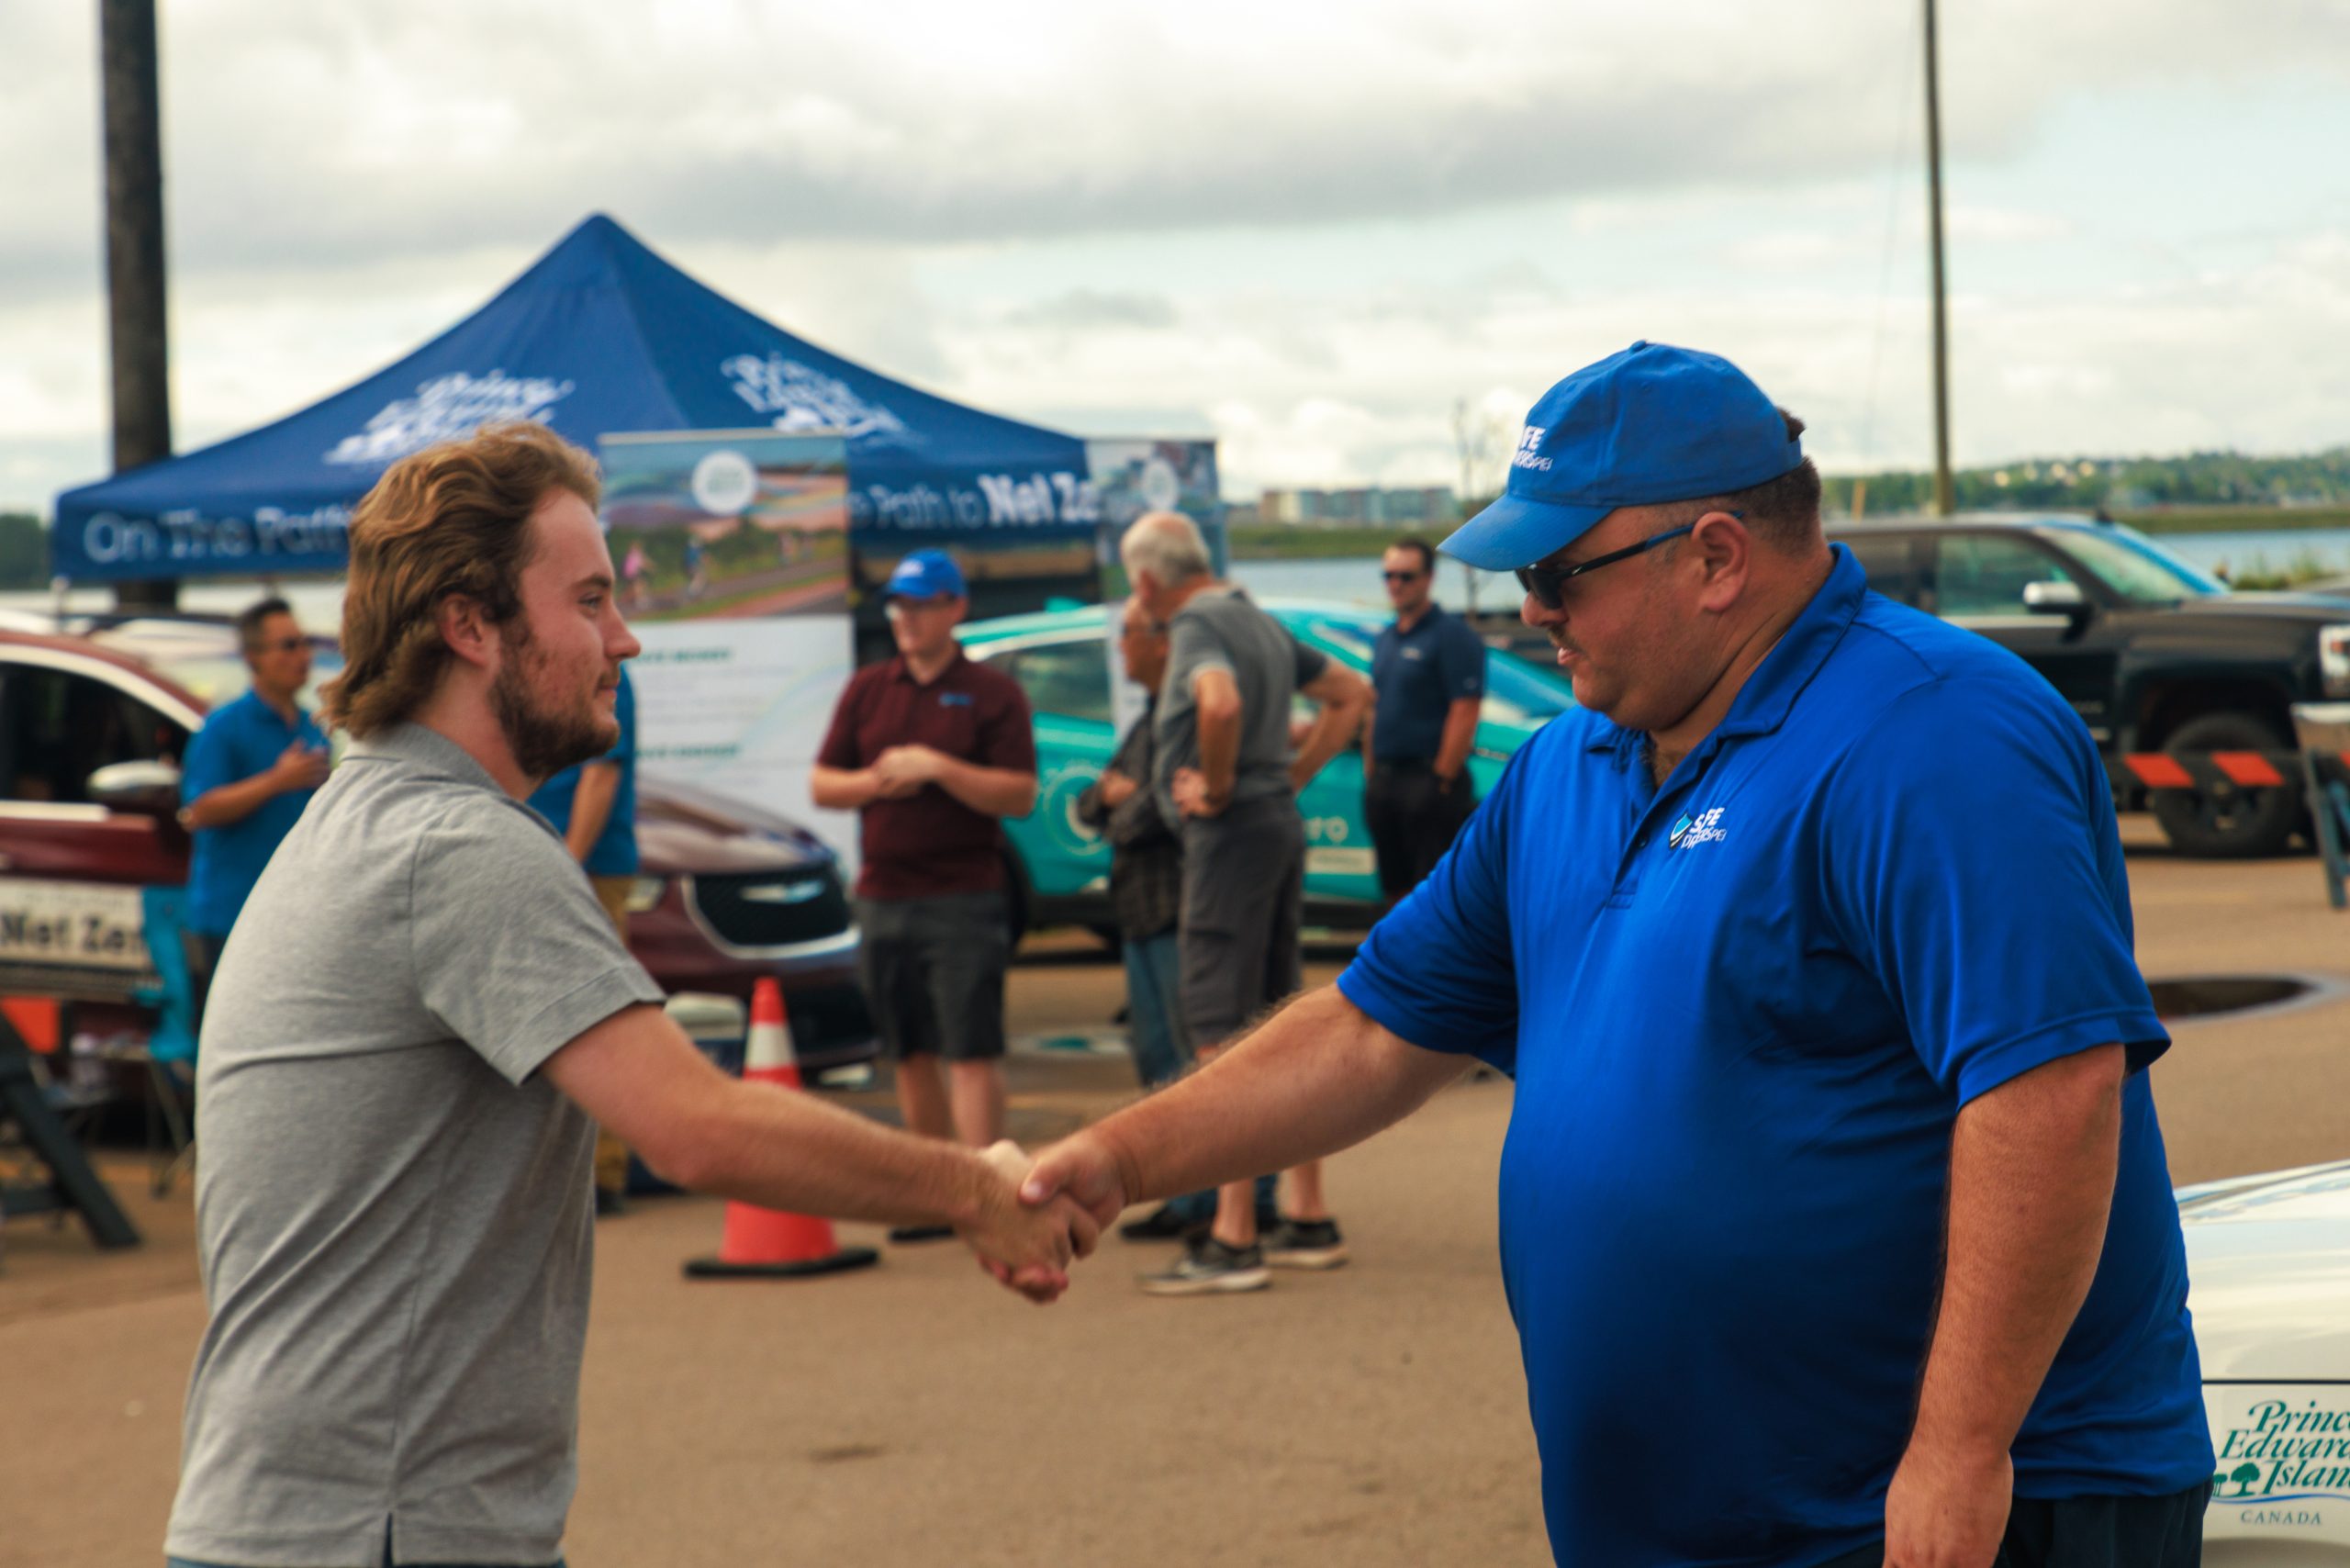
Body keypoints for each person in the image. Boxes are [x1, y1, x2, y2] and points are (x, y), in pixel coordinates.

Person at [1021, 343, 2211, 1565]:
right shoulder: (1572, 761)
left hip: (1939, 1511)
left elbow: (2049, 1088)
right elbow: (1375, 1029)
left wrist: (1961, 1450)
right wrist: (1121, 1157)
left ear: (1715, 558)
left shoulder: (1934, 733)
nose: (1531, 610)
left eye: (1557, 572)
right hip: (1700, 1518)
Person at [164, 425, 1089, 1568]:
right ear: (469, 625)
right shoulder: (458, 848)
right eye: (591, 600)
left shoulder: (364, 818)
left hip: (326, 1522)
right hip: (380, 1530)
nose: (625, 637)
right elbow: (700, 1127)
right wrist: (974, 1188)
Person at [1117, 510, 1370, 1293]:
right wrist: (1288, 779)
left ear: (1146, 580)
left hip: (1229, 840)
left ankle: (1234, 1237)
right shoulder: (1257, 618)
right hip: (1275, 829)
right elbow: (1352, 691)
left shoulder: (1196, 623)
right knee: (1276, 1019)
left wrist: (1223, 786)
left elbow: (1218, 704)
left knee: (1220, 1031)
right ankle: (1307, 1214)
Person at [811, 548, 1037, 1244]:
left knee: (970, 1049)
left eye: (921, 604)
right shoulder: (868, 689)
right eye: (898, 605)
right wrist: (881, 780)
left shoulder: (993, 693)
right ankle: (938, 1196)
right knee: (908, 1050)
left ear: (955, 608)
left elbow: (1019, 794)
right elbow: (824, 784)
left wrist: (938, 768)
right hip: (884, 895)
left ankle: (989, 1193)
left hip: (962, 895)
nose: (906, 618)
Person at [178, 596, 330, 1002]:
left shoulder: (311, 726)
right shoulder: (223, 727)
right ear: (253, 658)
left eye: (306, 643)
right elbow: (198, 811)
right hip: (231, 916)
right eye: (289, 646)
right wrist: (276, 781)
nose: (303, 656)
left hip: (294, 917)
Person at [528, 663, 640, 1213]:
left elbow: (602, 774)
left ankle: (602, 1175)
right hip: (529, 861)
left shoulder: (604, 670)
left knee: (595, 1020)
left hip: (584, 870)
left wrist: (565, 868)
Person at [1362, 537, 1485, 908]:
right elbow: (1374, 707)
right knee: (1393, 890)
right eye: (1389, 575)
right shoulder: (1386, 638)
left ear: (1429, 578)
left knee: (1432, 894)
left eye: (1406, 576)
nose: (1395, 584)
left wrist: (1441, 780)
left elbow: (1466, 707)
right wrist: (1372, 774)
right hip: (1386, 782)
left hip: (1428, 781)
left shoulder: (1451, 636)